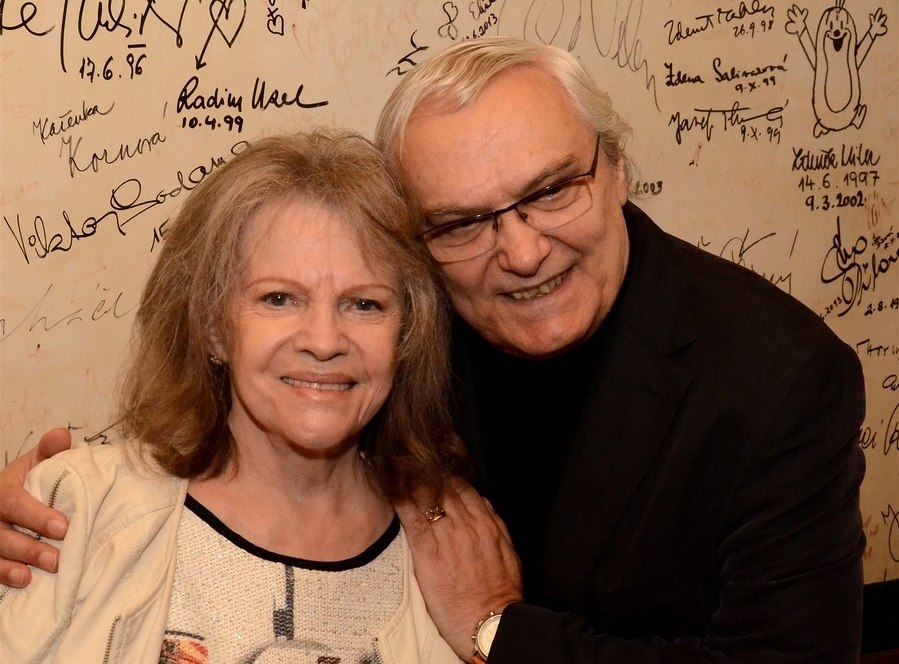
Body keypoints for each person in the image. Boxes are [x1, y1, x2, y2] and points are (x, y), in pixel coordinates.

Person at [1, 38, 866, 663]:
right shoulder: (419, 318)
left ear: (615, 168)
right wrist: (56, 495)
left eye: (550, 191)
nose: (520, 252)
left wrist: (497, 631)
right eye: (460, 222)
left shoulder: (775, 381)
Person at [0, 129, 494, 663]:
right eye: (279, 298)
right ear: (214, 328)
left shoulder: (456, 560)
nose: (324, 341)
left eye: (364, 304)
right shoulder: (78, 510)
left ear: (406, 335)